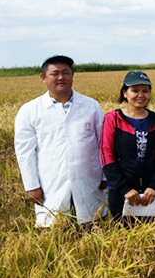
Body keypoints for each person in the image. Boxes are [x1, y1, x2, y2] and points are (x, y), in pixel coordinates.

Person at [14, 55, 107, 227]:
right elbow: (25, 152)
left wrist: (104, 175)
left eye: (66, 72)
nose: (61, 77)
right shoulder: (29, 111)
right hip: (50, 183)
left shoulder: (91, 106)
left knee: (92, 226)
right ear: (43, 78)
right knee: (54, 230)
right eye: (54, 73)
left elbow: (103, 143)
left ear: (73, 76)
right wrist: (31, 186)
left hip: (89, 181)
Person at [99, 71, 155, 222]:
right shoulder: (113, 119)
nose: (141, 95)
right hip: (122, 191)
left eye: (145, 91)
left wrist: (153, 186)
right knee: (126, 238)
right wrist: (124, 188)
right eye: (135, 90)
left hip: (152, 192)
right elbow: (106, 155)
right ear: (125, 93)